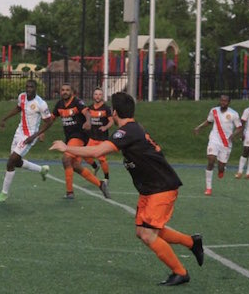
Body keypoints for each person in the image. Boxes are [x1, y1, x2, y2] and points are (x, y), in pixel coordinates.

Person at [49, 92, 204, 286]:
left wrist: (66, 148)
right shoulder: (132, 128)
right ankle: (192, 242)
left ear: (114, 112)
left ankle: (180, 272)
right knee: (143, 231)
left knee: (148, 234)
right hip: (150, 188)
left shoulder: (127, 131)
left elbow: (97, 152)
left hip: (161, 187)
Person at [0, 79, 52, 202]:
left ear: (36, 88)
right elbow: (18, 108)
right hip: (18, 133)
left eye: (31, 87)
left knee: (11, 161)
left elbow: (49, 122)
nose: (28, 89)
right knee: (15, 162)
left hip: (29, 137)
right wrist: (4, 118)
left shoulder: (41, 104)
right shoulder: (22, 96)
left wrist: (36, 135)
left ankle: (4, 193)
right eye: (27, 87)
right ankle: (42, 170)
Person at [52, 83, 109, 199]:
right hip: (70, 138)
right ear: (60, 92)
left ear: (72, 92)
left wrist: (88, 122)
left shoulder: (77, 102)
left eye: (67, 90)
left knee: (66, 159)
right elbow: (51, 119)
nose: (65, 92)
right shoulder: (59, 104)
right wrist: (41, 131)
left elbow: (86, 112)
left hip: (79, 136)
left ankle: (69, 192)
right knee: (75, 165)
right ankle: (100, 184)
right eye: (63, 90)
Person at [194, 94, 243, 195]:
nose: (223, 102)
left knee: (221, 166)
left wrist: (233, 135)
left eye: (225, 101)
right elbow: (209, 121)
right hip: (214, 139)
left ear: (229, 103)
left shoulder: (234, 114)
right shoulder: (214, 111)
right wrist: (199, 127)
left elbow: (239, 127)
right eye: (221, 100)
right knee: (211, 159)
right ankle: (208, 188)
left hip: (226, 142)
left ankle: (221, 170)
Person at [83, 88, 113, 182]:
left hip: (102, 138)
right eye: (96, 94)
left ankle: (106, 178)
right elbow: (86, 119)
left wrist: (105, 127)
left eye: (100, 94)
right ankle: (95, 167)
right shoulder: (89, 108)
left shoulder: (106, 108)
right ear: (93, 96)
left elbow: (111, 121)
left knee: (102, 159)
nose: (97, 96)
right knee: (85, 155)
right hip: (92, 137)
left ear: (102, 96)